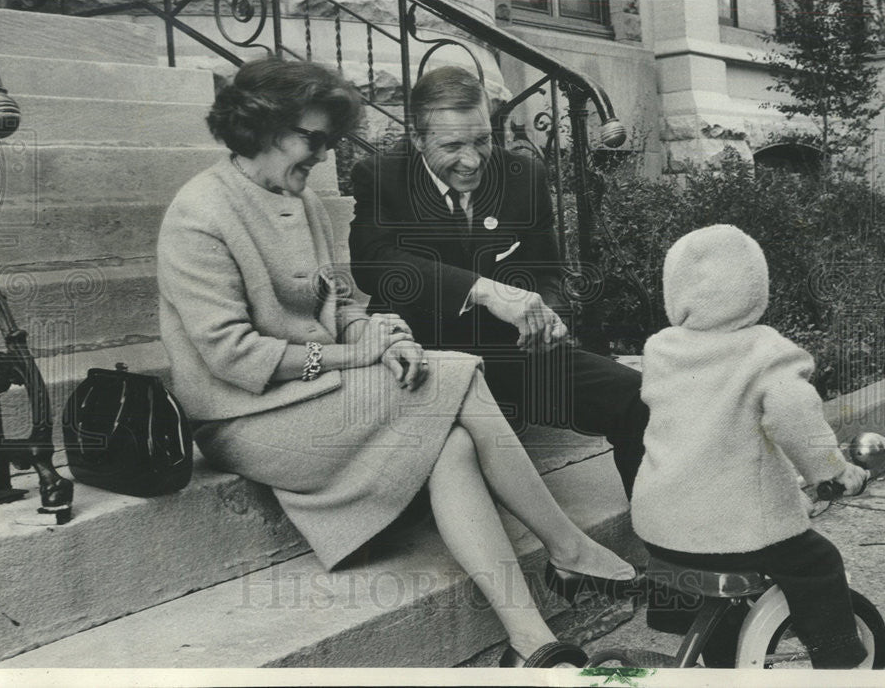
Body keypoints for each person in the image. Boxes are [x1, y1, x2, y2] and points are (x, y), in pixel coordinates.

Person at [157, 56, 640, 668]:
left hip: (315, 384)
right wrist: (347, 357)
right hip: (244, 415)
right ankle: (567, 546)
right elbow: (231, 357)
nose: (325, 154)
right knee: (456, 376)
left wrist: (382, 333)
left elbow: (339, 304)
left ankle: (531, 642)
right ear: (260, 126)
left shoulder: (295, 198)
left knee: (455, 443)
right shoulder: (200, 213)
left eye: (330, 140)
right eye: (314, 139)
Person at [348, 65, 649, 501]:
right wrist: (485, 291)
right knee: (460, 451)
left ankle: (663, 554)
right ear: (417, 140)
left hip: (514, 353)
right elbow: (376, 264)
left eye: (482, 140)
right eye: (451, 145)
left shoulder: (523, 176)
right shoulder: (382, 176)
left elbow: (548, 272)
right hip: (425, 361)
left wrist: (549, 317)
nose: (471, 160)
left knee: (636, 398)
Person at [630, 224, 870, 669]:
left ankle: (717, 654)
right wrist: (833, 472)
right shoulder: (766, 353)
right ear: (754, 291)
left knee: (718, 567)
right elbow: (795, 418)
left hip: (660, 525)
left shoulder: (661, 351)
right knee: (815, 561)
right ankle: (840, 661)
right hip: (733, 529)